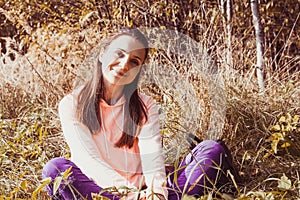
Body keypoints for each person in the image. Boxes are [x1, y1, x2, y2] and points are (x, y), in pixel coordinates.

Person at [42, 28, 231, 200]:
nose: (124, 65)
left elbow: (152, 156)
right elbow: (87, 159)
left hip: (144, 192)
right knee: (55, 169)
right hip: (101, 193)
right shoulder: (72, 104)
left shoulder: (145, 105)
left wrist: (156, 193)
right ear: (102, 54)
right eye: (119, 54)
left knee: (211, 150)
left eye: (134, 61)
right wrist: (128, 195)